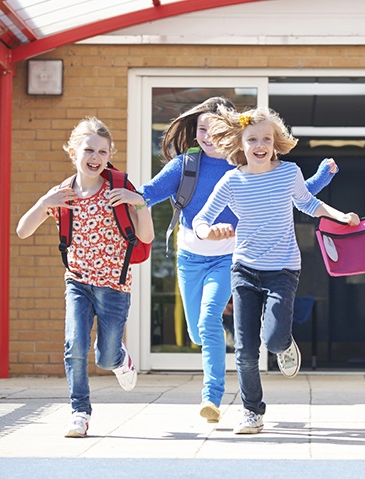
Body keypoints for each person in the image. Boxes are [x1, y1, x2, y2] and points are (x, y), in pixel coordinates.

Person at [139, 97, 338, 424]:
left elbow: (294, 195)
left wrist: (322, 178)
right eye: (202, 129)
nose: (207, 136)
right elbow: (147, 193)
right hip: (190, 255)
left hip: (232, 257)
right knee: (198, 333)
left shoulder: (243, 164)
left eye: (214, 130)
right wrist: (113, 192)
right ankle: (230, 378)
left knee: (210, 322)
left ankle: (213, 398)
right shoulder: (186, 166)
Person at [193, 107, 359, 435]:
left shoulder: (289, 173)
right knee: (244, 350)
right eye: (252, 139)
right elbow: (202, 218)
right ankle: (252, 411)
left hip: (283, 269)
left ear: (275, 142)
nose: (260, 145)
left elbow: (308, 203)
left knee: (272, 339)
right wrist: (206, 232)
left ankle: (284, 343)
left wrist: (341, 216)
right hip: (244, 271)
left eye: (266, 139)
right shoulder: (232, 180)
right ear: (240, 143)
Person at [16, 117, 154, 438]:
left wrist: (140, 202)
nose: (95, 157)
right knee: (74, 345)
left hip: (114, 286)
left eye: (102, 151)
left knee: (105, 356)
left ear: (109, 155)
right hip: (77, 281)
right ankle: (80, 411)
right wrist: (43, 203)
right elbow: (23, 231)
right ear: (73, 152)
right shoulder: (62, 194)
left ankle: (120, 358)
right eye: (88, 149)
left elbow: (145, 236)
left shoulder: (120, 188)